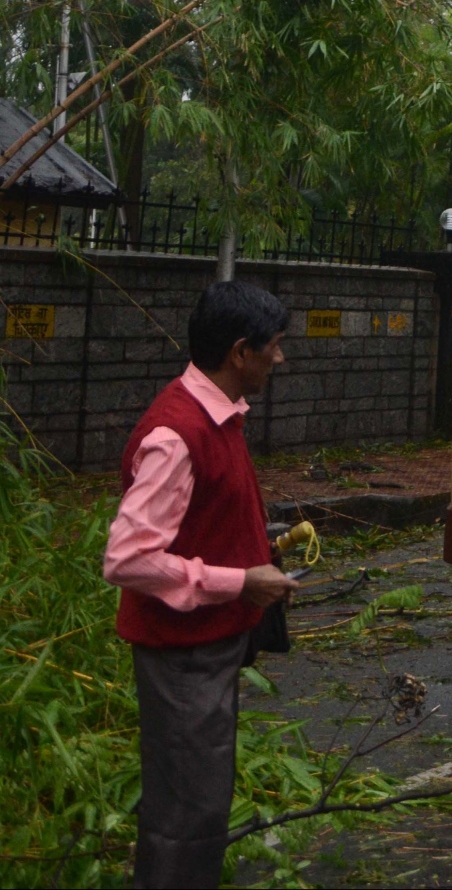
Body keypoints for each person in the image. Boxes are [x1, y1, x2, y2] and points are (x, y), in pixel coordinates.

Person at [103, 281, 300, 889]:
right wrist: (239, 581)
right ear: (240, 352)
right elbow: (128, 559)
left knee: (199, 800)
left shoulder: (217, 415)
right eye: (274, 347)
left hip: (203, 647)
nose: (281, 358)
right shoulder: (176, 436)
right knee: (187, 810)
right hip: (182, 655)